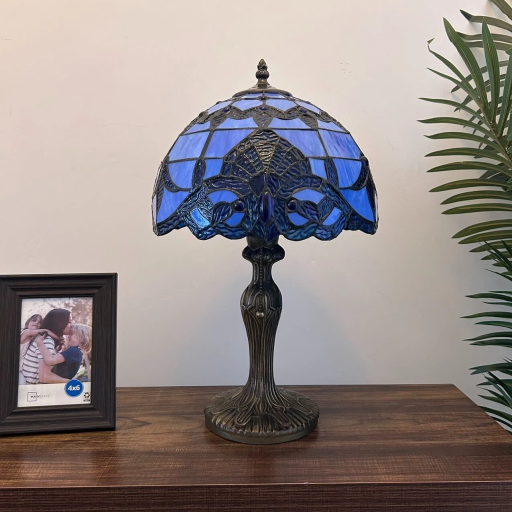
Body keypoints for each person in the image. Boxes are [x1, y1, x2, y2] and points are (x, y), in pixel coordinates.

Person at [20, 309, 72, 384]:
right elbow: (45, 377)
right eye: (69, 321)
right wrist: (72, 382)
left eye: (39, 322)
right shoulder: (45, 340)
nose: (72, 325)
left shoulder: (44, 339)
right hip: (27, 384)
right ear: (59, 322)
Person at [18, 314, 58, 385]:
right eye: (34, 320)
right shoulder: (26, 332)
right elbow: (45, 331)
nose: (36, 323)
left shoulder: (34, 337)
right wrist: (58, 338)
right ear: (27, 323)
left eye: (39, 322)